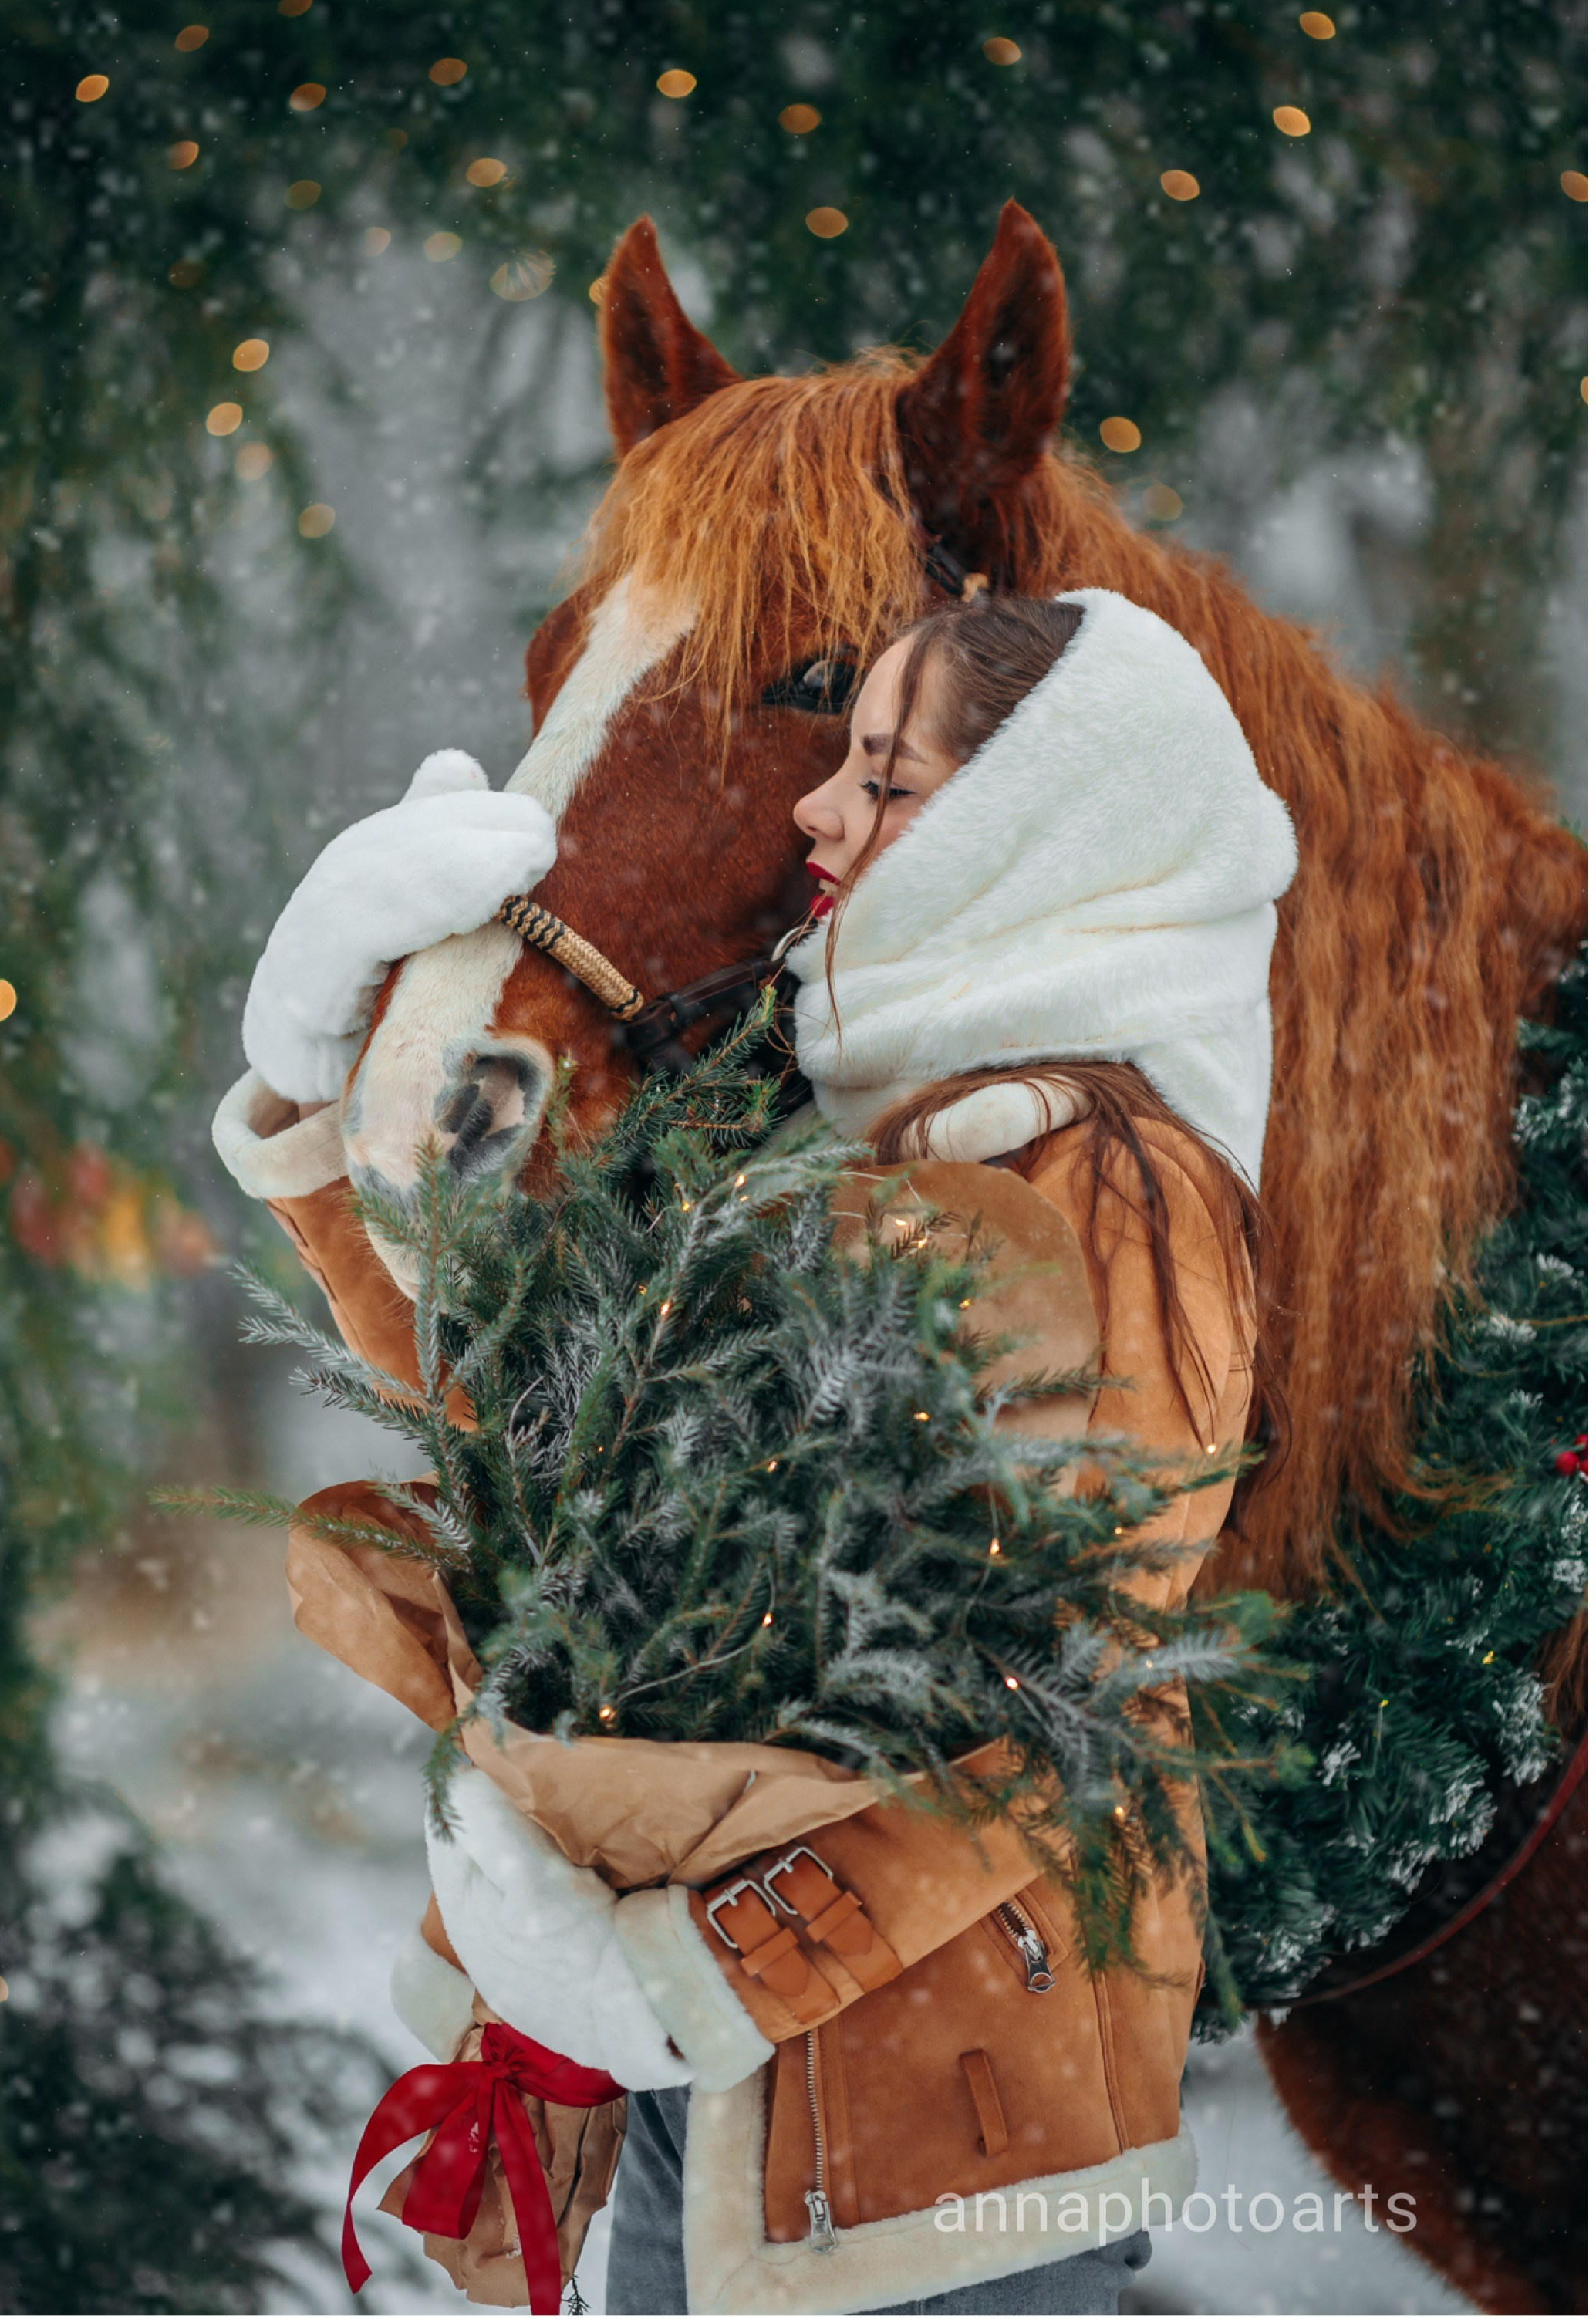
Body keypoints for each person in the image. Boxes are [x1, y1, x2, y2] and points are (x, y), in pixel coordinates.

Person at [214, 586, 1297, 2317]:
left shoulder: (1115, 1182)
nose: (819, 809)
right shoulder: (810, 1120)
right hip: (706, 2100)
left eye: (888, 777)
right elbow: (530, 1425)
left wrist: (698, 1971)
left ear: (1029, 837)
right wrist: (317, 1088)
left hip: (934, 2170)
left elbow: (1057, 1697)